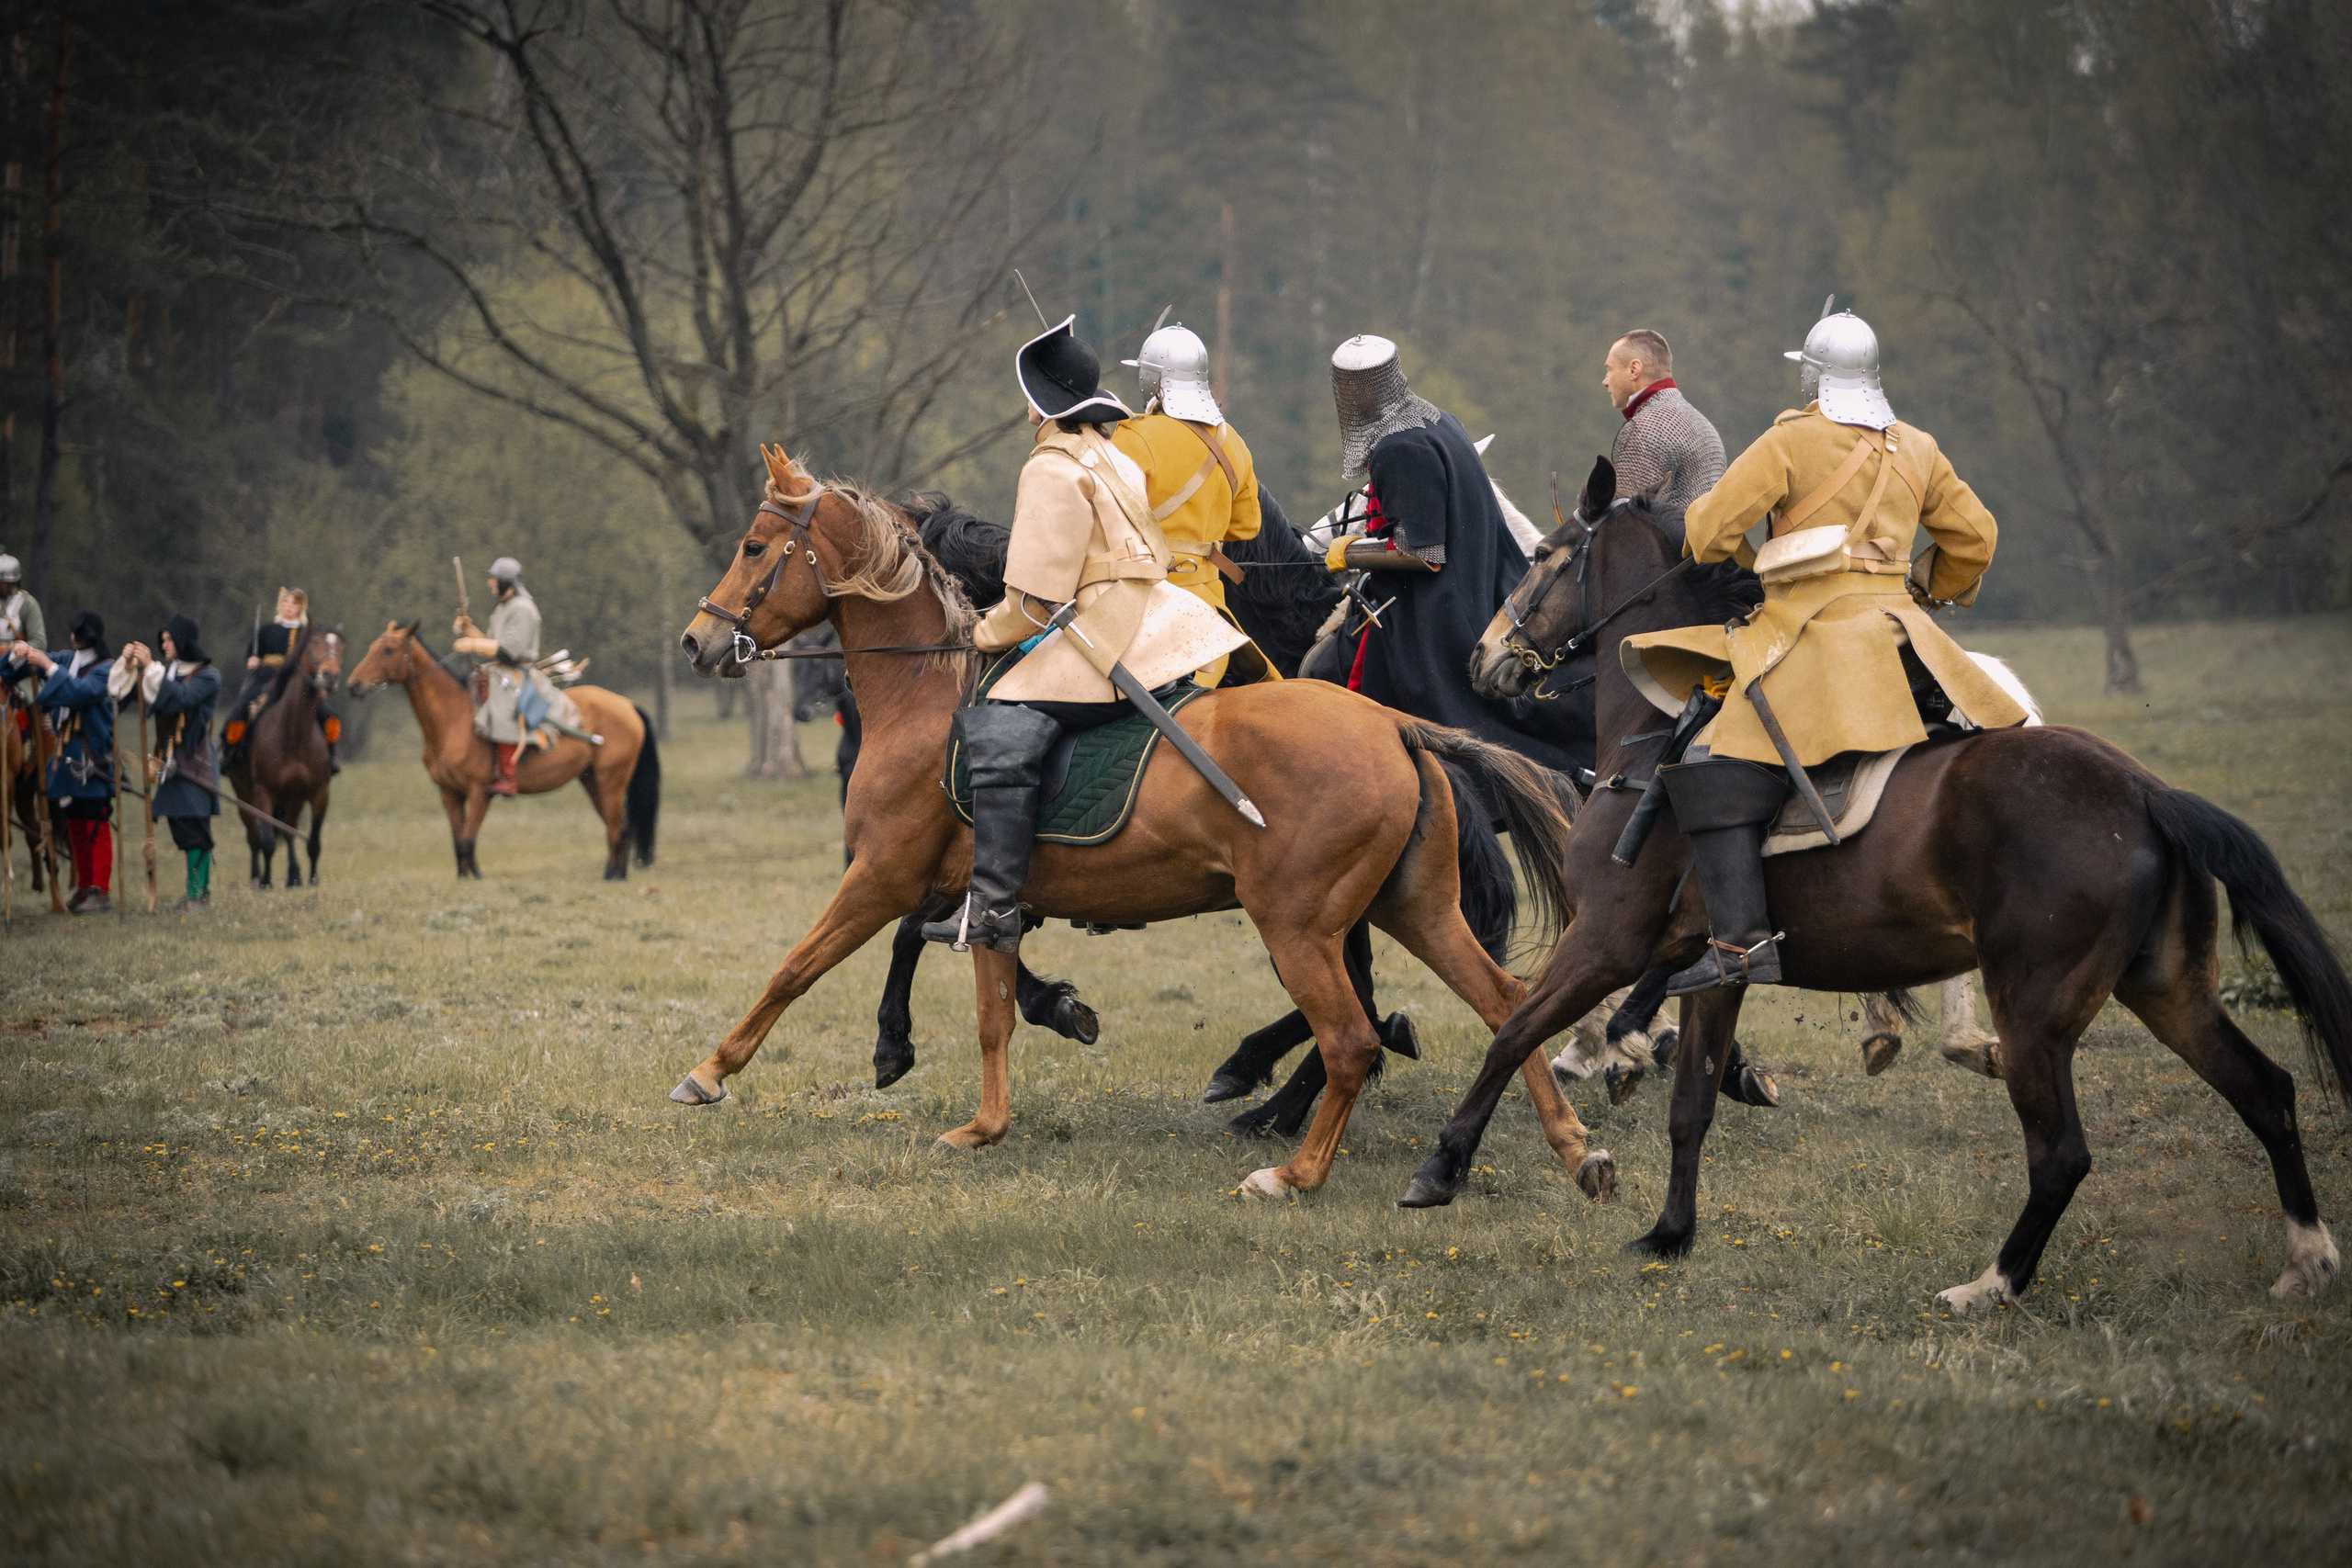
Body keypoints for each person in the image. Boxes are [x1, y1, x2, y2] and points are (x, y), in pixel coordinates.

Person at [1623, 301, 2030, 995]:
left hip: (1810, 640)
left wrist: (1762, 559)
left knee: (1705, 753)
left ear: (1813, 378)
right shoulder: (1919, 447)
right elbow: (1977, 540)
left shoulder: (1789, 441)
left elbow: (1707, 534)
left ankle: (1743, 944)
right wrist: (1925, 587)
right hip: (1911, 643)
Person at [917, 315, 1245, 954]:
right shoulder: (1106, 450)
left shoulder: (1050, 466)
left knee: (1002, 714)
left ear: (1041, 403)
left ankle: (991, 902)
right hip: (1164, 616)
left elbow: (1035, 604)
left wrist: (980, 633)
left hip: (1109, 633)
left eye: (1027, 399)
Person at [1317, 334, 1583, 775]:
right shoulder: (1439, 419)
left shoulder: (1396, 448)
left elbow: (1425, 554)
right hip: (1480, 591)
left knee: (1328, 682)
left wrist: (1350, 553)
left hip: (1429, 621)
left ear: (1349, 392)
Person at [1111, 321, 1269, 687]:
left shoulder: (1136, 436)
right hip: (1211, 610)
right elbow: (1247, 527)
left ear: (1151, 380)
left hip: (1147, 607)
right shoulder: (1234, 442)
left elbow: (1107, 517)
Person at [3, 611, 115, 912]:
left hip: (91, 754)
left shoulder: (106, 669)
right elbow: (15, 671)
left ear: (81, 636)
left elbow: (80, 693)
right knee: (75, 822)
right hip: (66, 757)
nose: (71, 638)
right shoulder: (68, 660)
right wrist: (18, 654)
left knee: (96, 823)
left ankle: (100, 890)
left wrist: (47, 665)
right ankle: (83, 887)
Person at [117, 616, 222, 909]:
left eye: (168, 640)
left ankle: (198, 895)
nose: (162, 645)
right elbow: (144, 700)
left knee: (195, 829)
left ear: (182, 642)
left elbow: (178, 698)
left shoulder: (208, 676)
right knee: (181, 826)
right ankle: (196, 893)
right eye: (161, 640)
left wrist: (150, 668)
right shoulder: (167, 672)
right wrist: (131, 670)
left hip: (194, 759)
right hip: (170, 761)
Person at [1602, 329, 1726, 511]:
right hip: (1705, 539)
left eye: (1609, 370)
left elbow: (1626, 522)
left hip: (1672, 540)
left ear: (1633, 369)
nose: (1605, 381)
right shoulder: (1705, 427)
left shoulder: (1645, 429)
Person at [225, 587, 339, 774]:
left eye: (294, 603)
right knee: (239, 712)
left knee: (329, 716)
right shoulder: (266, 630)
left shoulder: (307, 634)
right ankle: (230, 754)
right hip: (266, 679)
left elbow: (314, 661)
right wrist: (253, 661)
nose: (288, 607)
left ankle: (331, 756)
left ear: (301, 607)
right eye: (285, 602)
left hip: (298, 683)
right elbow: (253, 654)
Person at [453, 558, 540, 797]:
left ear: (506, 583)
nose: (490, 583)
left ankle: (509, 778)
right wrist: (469, 630)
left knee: (501, 712)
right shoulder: (502, 608)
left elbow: (508, 650)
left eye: (494, 579)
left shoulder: (522, 608)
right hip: (500, 670)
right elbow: (491, 643)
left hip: (516, 673)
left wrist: (471, 644)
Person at [0, 551, 46, 704]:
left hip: (17, 669)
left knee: (34, 702)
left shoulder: (27, 604)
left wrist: (11, 649)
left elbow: (39, 642)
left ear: (11, 582)